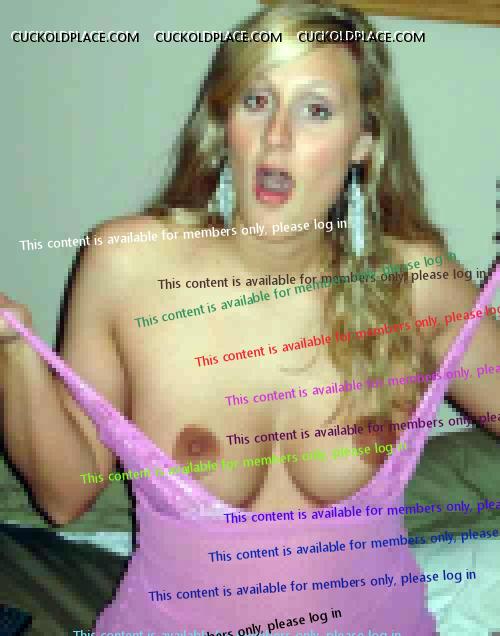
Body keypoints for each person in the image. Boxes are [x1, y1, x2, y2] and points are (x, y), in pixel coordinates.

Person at [1, 2, 499, 633]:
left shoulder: (415, 281)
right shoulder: (128, 264)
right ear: (225, 123)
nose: (277, 136)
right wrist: (10, 351)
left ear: (363, 141)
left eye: (315, 110)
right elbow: (65, 497)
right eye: (257, 101)